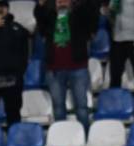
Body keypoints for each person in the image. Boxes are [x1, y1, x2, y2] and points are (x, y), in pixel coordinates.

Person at [34, 0, 100, 132]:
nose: (62, 2)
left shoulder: (78, 17)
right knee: (58, 107)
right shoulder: (50, 17)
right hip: (54, 69)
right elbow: (40, 20)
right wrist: (40, 5)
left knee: (81, 107)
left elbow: (92, 14)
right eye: (59, 0)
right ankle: (61, 137)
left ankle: (85, 137)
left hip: (78, 68)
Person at [105, 0, 134, 93]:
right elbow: (111, 15)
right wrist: (109, 11)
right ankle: (115, 103)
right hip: (118, 39)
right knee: (115, 73)